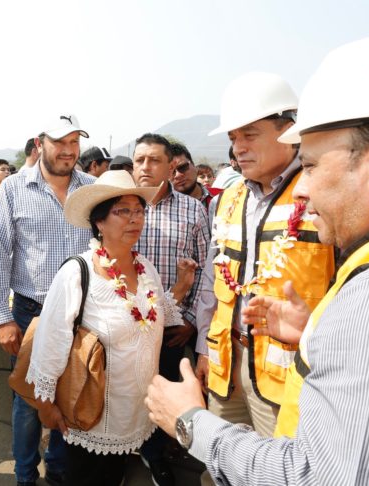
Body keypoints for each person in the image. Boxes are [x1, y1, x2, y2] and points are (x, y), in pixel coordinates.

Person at [145, 33, 369, 485]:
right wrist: (317, 333)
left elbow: (321, 475)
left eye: (309, 166)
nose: (301, 190)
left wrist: (190, 421)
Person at [193, 72, 336, 456]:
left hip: (289, 376)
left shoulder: (320, 190)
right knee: (220, 462)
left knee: (280, 469)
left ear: (288, 131)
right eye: (233, 138)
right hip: (227, 366)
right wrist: (204, 348)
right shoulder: (229, 197)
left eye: (249, 134)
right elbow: (212, 279)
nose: (238, 147)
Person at [28, 170, 197, 486]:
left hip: (133, 411)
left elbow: (155, 314)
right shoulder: (77, 273)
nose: (135, 218)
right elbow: (50, 343)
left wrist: (183, 286)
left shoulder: (144, 267)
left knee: (116, 477)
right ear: (99, 222)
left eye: (139, 210)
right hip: (92, 414)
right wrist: (46, 406)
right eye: (123, 211)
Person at [0, 114, 95, 486]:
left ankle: (60, 473)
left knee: (70, 392)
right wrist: (2, 317)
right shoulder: (13, 189)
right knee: (29, 402)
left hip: (82, 311)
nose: (68, 150)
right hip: (31, 312)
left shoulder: (92, 189)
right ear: (39, 143)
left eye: (74, 142)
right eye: (60, 142)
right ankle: (25, 476)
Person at [131, 133, 210, 486]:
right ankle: (146, 454)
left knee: (170, 388)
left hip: (174, 326)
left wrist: (191, 321)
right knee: (136, 392)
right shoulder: (123, 205)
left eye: (153, 160)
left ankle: (166, 452)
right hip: (130, 326)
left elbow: (208, 268)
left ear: (170, 166)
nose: (145, 167)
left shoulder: (193, 210)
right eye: (139, 160)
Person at [169, 142, 213, 209]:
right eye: (171, 171)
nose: (178, 175)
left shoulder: (224, 197)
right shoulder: (164, 210)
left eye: (183, 167)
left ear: (194, 165)